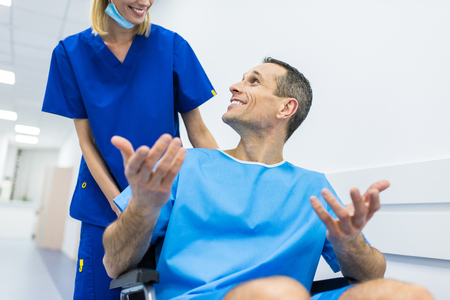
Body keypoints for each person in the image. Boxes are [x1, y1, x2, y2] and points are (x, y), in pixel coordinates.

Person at [103, 57, 434, 299]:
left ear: (285, 108)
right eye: (242, 78)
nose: (234, 86)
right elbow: (113, 263)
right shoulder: (186, 165)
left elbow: (372, 274)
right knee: (279, 293)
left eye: (254, 81)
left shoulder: (312, 186)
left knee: (408, 295)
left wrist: (349, 243)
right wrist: (143, 207)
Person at [42, 0, 218, 298]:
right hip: (104, 206)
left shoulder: (172, 46)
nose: (145, 2)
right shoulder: (70, 53)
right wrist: (120, 203)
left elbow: (198, 131)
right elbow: (86, 142)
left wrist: (224, 192)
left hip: (166, 206)